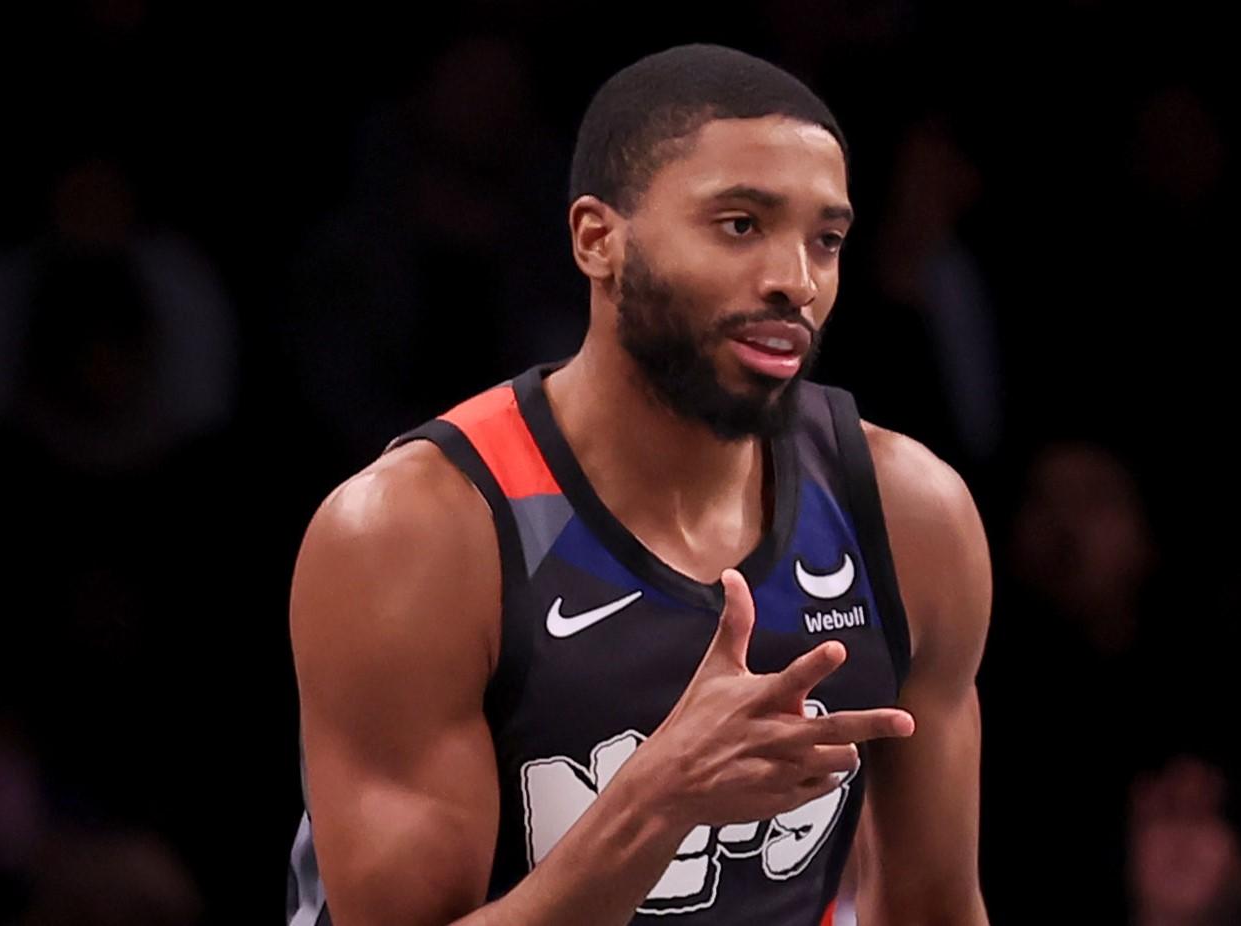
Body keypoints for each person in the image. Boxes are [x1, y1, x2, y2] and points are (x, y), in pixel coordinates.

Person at [286, 43, 993, 926]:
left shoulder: (908, 512)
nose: (796, 281)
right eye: (741, 224)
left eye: (827, 240)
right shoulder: (416, 532)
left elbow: (934, 907)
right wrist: (655, 803)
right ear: (597, 239)